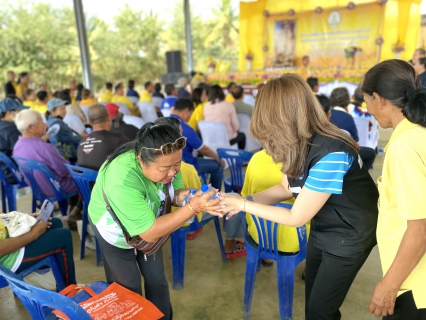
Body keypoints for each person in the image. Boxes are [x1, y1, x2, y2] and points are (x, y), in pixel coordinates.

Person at [218, 75, 379, 320]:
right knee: (313, 298)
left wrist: (242, 204)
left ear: (285, 120)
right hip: (324, 225)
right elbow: (284, 189)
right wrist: (242, 200)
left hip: (350, 234)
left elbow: (296, 216)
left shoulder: (331, 152)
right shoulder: (297, 142)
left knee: (320, 310)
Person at [88, 122, 221, 319]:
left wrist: (185, 197)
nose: (173, 172)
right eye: (166, 168)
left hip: (148, 221)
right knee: (128, 287)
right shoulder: (122, 178)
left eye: (177, 164)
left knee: (156, 279)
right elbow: (149, 232)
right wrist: (193, 207)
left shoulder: (169, 159)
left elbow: (173, 193)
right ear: (142, 161)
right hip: (113, 229)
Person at [362, 59, 426, 319]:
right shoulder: (418, 133)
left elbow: (419, 226)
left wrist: (388, 286)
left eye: (366, 100)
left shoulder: (404, 146)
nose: (367, 109)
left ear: (379, 98)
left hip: (415, 283)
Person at [13, 110, 82, 221]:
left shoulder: (18, 146)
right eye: (41, 122)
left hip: (38, 188)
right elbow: (67, 172)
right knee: (89, 180)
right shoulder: (45, 148)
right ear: (30, 127)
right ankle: (75, 213)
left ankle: (70, 211)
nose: (46, 125)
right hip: (56, 188)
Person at [0, 213, 76, 288]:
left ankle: (42, 270)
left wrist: (23, 219)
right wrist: (34, 234)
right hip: (7, 260)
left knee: (55, 223)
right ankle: (70, 291)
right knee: (63, 237)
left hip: (8, 236)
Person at [170, 98, 224, 190]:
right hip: (186, 164)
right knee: (218, 166)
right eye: (191, 114)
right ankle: (214, 194)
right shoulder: (184, 128)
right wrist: (217, 157)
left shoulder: (163, 122)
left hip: (168, 165)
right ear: (186, 111)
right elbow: (202, 149)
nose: (190, 117)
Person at [329, 87, 376, 169]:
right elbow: (356, 143)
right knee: (371, 153)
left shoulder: (326, 114)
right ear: (347, 99)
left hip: (326, 151)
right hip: (342, 153)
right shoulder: (348, 117)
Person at [77, 104, 129, 171]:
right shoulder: (118, 139)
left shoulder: (82, 142)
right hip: (106, 180)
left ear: (89, 122)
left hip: (84, 181)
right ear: (108, 118)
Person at [203, 85, 246, 149]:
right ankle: (240, 157)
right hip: (226, 140)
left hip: (211, 139)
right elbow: (236, 126)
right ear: (222, 93)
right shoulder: (229, 106)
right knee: (242, 136)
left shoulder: (206, 106)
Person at [0, 98, 29, 184]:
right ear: (9, 113)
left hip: (3, 172)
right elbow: (23, 153)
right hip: (13, 174)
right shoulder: (11, 130)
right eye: (19, 111)